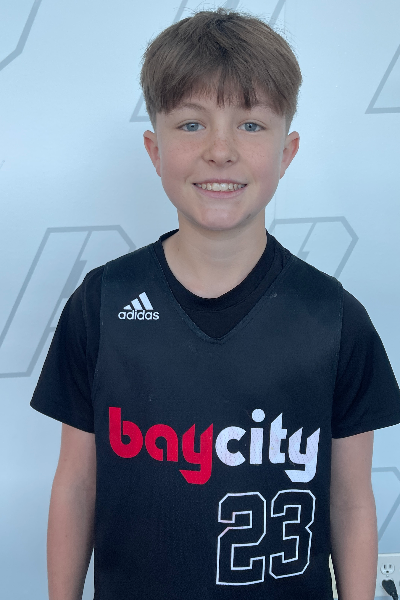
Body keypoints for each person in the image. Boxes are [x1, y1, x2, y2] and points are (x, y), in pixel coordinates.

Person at [30, 7, 400, 600]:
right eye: (191, 124)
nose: (220, 150)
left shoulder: (333, 318)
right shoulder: (102, 303)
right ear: (154, 150)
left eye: (250, 124)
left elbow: (352, 498)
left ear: (287, 151)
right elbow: (76, 484)